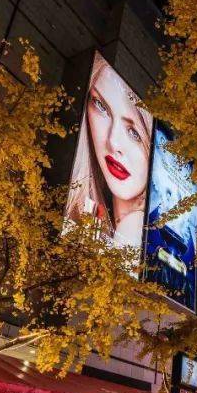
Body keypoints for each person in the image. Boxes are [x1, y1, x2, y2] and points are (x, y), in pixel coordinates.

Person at [63, 52, 153, 250]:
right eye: (101, 106)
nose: (113, 142)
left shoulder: (138, 233)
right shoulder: (78, 211)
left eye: (135, 133)